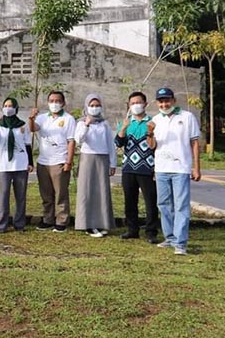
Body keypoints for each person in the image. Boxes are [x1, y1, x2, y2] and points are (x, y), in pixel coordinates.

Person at [148, 87, 201, 256]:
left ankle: (180, 243)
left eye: (167, 100)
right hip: (161, 168)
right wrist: (149, 133)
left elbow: (194, 143)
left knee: (181, 206)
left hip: (181, 168)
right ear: (157, 103)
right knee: (164, 204)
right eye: (161, 101)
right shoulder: (155, 120)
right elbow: (152, 146)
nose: (164, 104)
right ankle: (170, 237)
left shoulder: (187, 117)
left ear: (173, 101)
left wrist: (196, 167)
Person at [114, 91, 159, 243]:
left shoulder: (152, 122)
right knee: (130, 200)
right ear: (129, 105)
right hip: (128, 167)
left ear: (145, 104)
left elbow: (154, 146)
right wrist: (123, 128)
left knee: (150, 201)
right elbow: (118, 143)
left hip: (147, 168)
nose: (136, 105)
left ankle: (151, 232)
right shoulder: (126, 123)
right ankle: (132, 230)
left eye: (138, 102)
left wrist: (151, 133)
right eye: (133, 103)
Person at [29, 91, 77, 232]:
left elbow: (71, 141)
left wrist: (68, 162)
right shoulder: (42, 118)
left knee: (61, 193)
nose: (54, 103)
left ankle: (62, 220)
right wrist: (31, 118)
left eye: (57, 101)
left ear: (63, 103)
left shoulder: (68, 119)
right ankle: (47, 219)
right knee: (46, 194)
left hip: (60, 161)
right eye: (51, 101)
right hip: (43, 161)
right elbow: (33, 128)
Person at [73, 94, 117, 237]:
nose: (94, 108)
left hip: (102, 158)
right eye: (91, 105)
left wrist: (113, 163)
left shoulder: (104, 123)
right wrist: (86, 124)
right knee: (87, 191)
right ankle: (88, 224)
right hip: (87, 158)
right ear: (86, 106)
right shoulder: (81, 122)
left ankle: (101, 223)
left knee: (102, 192)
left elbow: (110, 144)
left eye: (97, 105)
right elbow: (79, 140)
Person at [0, 97, 33, 233]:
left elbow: (27, 145)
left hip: (21, 164)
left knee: (21, 196)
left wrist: (30, 162)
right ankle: (2, 225)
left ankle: (19, 224)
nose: (8, 108)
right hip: (4, 164)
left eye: (11, 106)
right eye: (5, 106)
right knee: (3, 195)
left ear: (16, 108)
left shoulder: (22, 125)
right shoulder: (0, 125)